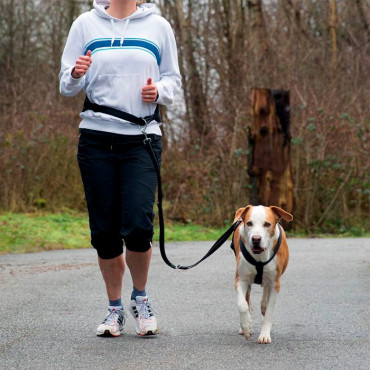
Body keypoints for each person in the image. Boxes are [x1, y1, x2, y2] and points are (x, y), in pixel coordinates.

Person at [59, 0, 181, 337]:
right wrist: (75, 73)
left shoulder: (159, 26)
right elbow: (66, 85)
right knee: (104, 232)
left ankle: (140, 298)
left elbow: (173, 82)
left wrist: (159, 90)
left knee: (139, 226)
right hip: (96, 138)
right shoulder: (85, 24)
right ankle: (114, 310)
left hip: (141, 139)